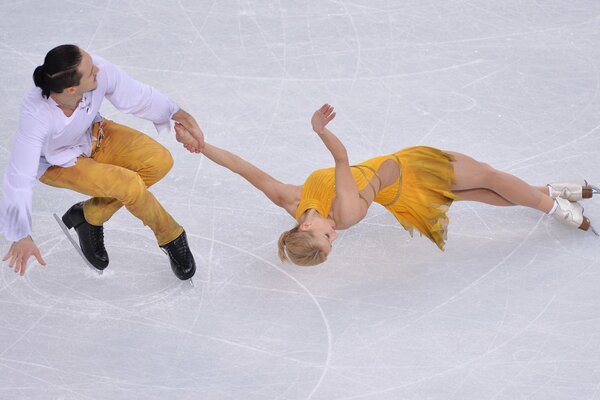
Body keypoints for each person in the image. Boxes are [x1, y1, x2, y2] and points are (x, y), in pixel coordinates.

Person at [174, 104, 598, 266]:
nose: (335, 235)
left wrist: (204, 146)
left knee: (483, 193)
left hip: (401, 186)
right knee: (487, 177)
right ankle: (558, 208)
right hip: (411, 171)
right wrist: (319, 131)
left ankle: (554, 189)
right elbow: (341, 159)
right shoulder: (345, 213)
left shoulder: (291, 200)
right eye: (332, 244)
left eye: (325, 238)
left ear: (303, 225)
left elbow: (246, 170)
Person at [1, 44, 204, 279]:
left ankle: (90, 216)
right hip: (59, 164)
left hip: (96, 135)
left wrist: (182, 115)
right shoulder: (36, 115)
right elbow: (19, 176)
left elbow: (138, 96)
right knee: (128, 184)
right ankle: (171, 235)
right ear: (70, 89)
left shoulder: (97, 70)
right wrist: (21, 235)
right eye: (90, 72)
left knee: (159, 161)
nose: (97, 68)